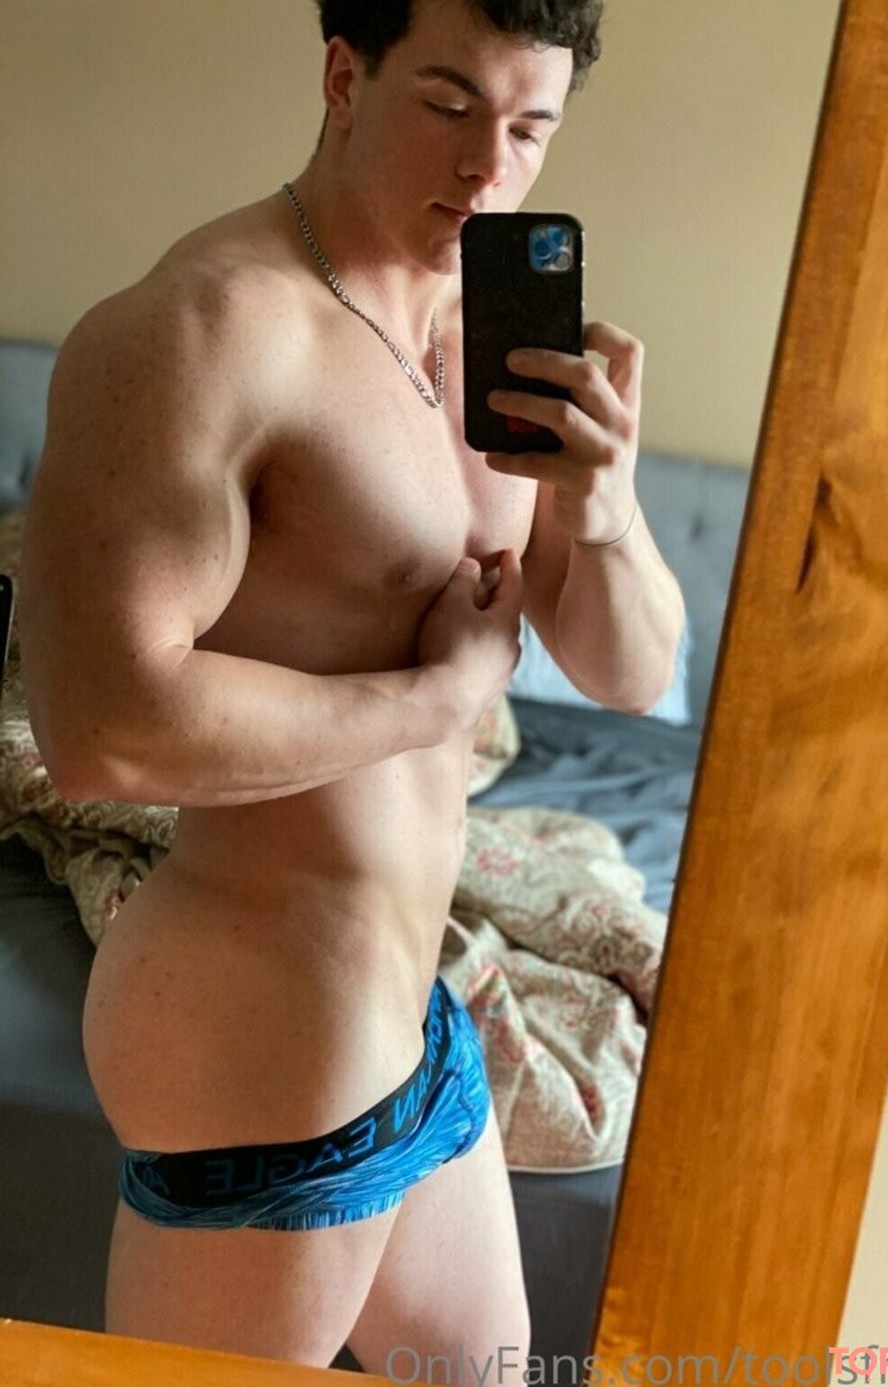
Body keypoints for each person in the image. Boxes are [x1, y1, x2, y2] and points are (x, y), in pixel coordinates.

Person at [19, 0, 685, 1374]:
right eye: (448, 106)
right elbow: (102, 733)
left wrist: (606, 507)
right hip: (258, 1034)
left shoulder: (498, 330)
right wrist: (432, 703)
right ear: (342, 73)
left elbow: (633, 675)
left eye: (531, 128)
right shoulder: (205, 332)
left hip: (415, 1012)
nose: (489, 169)